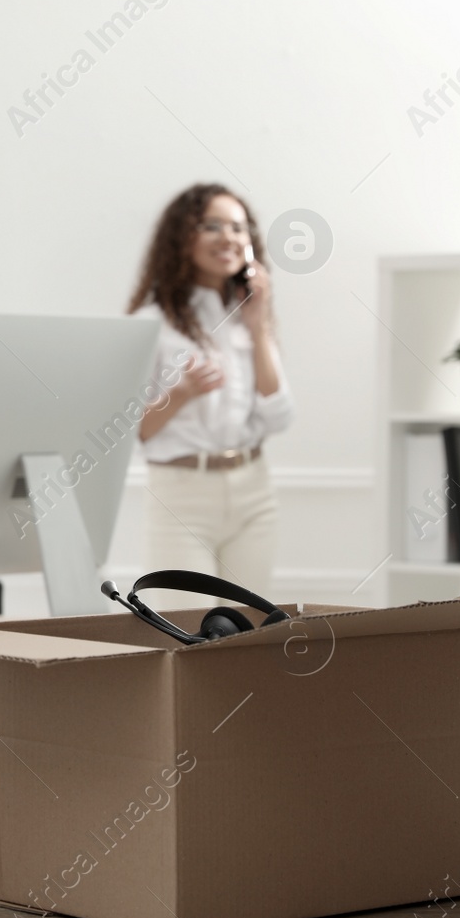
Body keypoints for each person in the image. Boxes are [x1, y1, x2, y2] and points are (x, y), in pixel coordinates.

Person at [127, 183, 294, 607]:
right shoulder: (152, 323)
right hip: (182, 494)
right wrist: (180, 394)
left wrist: (258, 327)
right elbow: (133, 431)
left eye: (239, 228)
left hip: (253, 489)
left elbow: (278, 418)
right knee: (186, 630)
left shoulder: (249, 320)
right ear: (182, 239)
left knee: (249, 631)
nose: (230, 237)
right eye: (212, 226)